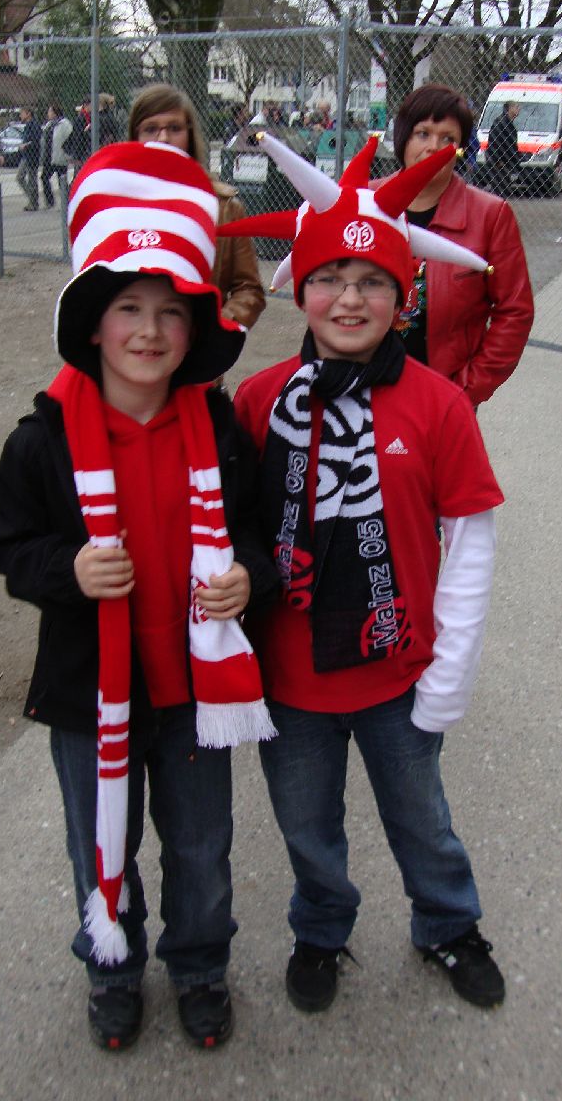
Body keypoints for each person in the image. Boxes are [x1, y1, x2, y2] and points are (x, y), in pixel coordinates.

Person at [0, 140, 278, 1052]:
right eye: (126, 309)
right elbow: (7, 543)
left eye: (168, 314)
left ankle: (197, 967)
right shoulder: (43, 439)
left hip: (195, 690)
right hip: (89, 693)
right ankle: (112, 964)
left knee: (201, 849)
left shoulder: (219, 430)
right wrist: (66, 571)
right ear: (94, 326)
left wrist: (246, 579)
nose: (148, 331)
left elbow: (263, 537)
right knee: (96, 840)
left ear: (195, 331)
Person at [225, 130, 506, 1015]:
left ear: (402, 293)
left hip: (399, 669)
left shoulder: (438, 402)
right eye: (329, 281)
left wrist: (450, 671)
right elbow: (228, 528)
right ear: (300, 289)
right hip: (293, 675)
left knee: (421, 818)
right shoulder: (261, 398)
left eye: (373, 282)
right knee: (307, 827)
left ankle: (448, 924)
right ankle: (321, 928)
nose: (350, 299)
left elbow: (472, 539)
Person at [385, 85, 533, 407]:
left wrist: (466, 390)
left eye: (447, 139)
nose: (433, 147)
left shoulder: (490, 217)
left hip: (441, 397)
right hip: (365, 391)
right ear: (403, 138)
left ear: (461, 148)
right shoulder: (364, 201)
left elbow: (515, 312)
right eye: (422, 133)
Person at [127, 84, 266, 331]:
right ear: (135, 137)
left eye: (174, 128)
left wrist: (216, 329)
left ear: (189, 135)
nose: (164, 138)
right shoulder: (114, 205)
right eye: (150, 129)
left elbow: (249, 290)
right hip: (132, 349)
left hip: (197, 358)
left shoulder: (224, 208)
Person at [484, 100, 520, 199]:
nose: (518, 109)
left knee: (503, 190)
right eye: (516, 106)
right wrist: (498, 160)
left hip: (506, 162)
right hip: (499, 164)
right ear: (509, 108)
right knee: (499, 190)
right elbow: (495, 143)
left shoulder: (509, 123)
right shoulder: (501, 123)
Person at [40, 103, 70, 208]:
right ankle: (50, 201)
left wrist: (67, 153)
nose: (48, 114)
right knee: (44, 177)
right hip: (49, 157)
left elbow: (69, 139)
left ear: (55, 113)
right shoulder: (49, 125)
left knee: (62, 180)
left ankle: (66, 202)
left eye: (50, 111)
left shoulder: (64, 124)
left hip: (60, 156)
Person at [15, 106, 41, 211]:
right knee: (23, 178)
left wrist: (26, 145)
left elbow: (36, 140)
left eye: (22, 113)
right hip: (26, 155)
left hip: (31, 156)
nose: (20, 115)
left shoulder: (34, 125)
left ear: (28, 113)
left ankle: (33, 201)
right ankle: (32, 200)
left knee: (30, 179)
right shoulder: (27, 126)